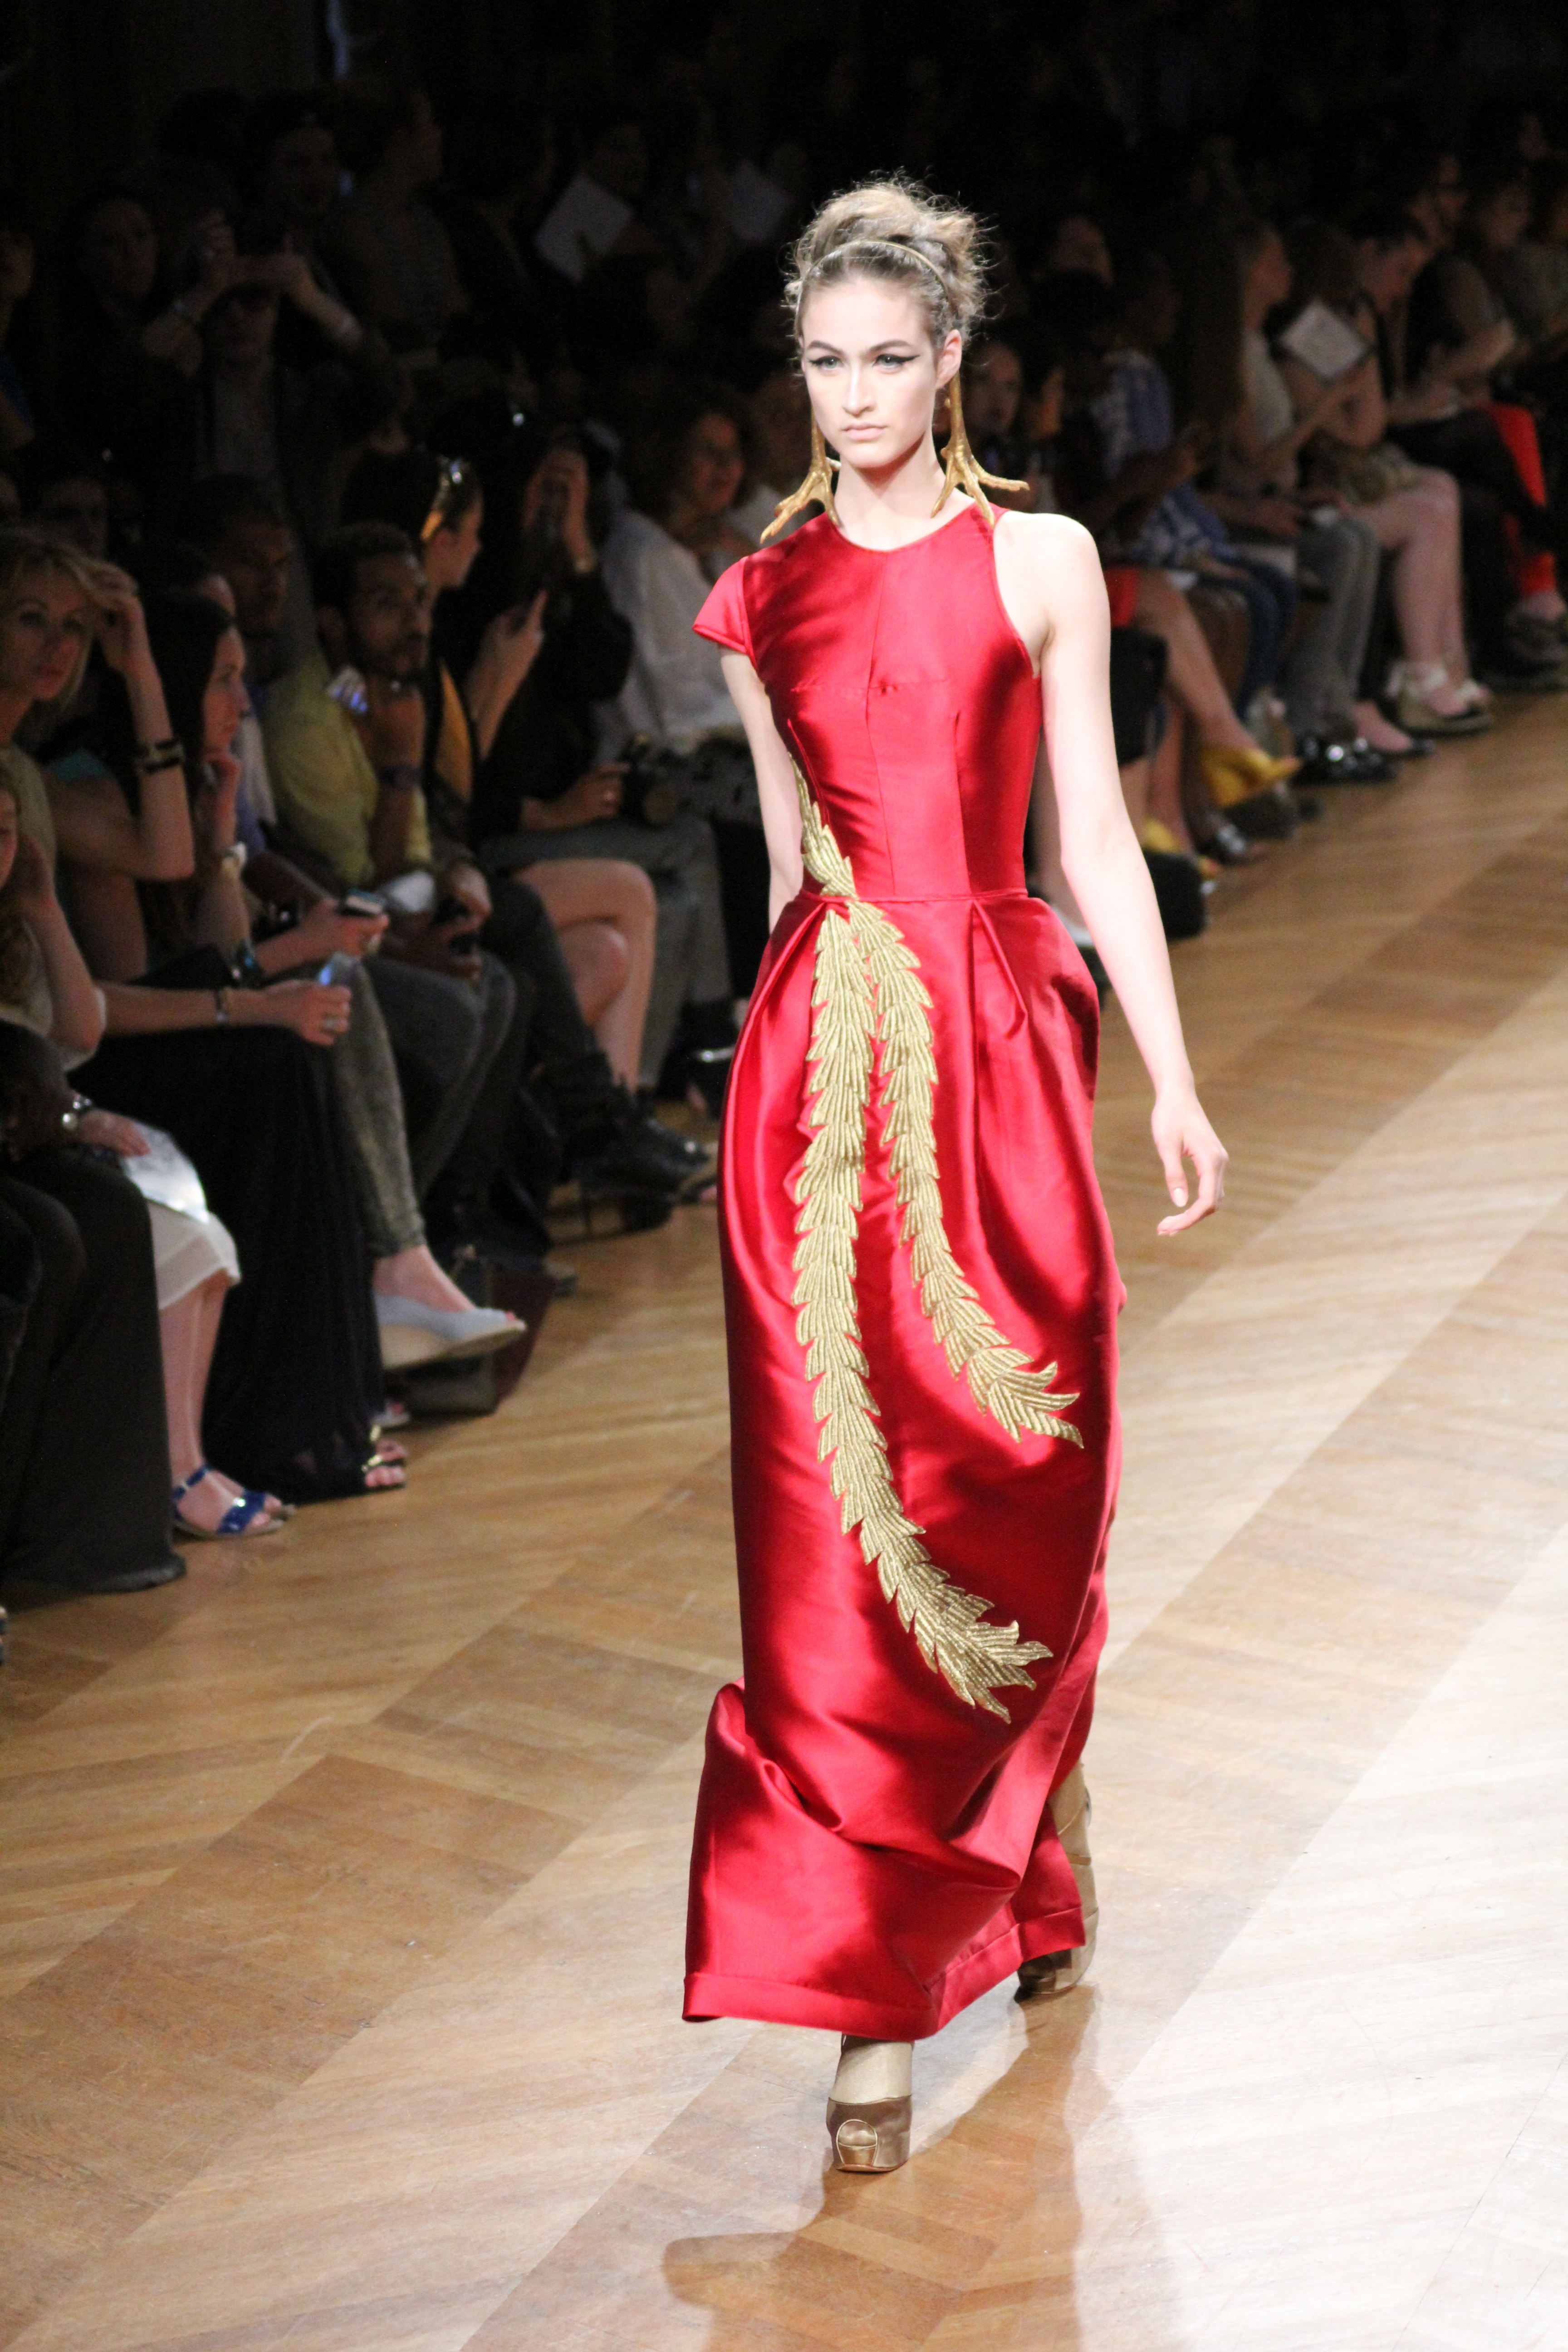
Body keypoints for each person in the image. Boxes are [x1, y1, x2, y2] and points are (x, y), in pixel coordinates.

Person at [682, 180, 1225, 2172]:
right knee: (835, 1534)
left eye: (890, 359)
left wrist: (1171, 1078)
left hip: (999, 1051)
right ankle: (866, 1999)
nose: (855, 396)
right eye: (825, 361)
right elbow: (781, 870)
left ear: (955, 361)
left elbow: (1091, 837)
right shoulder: (757, 594)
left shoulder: (1046, 559)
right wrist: (772, 1095)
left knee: (1022, 1468)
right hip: (821, 1081)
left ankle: (1034, 1795)